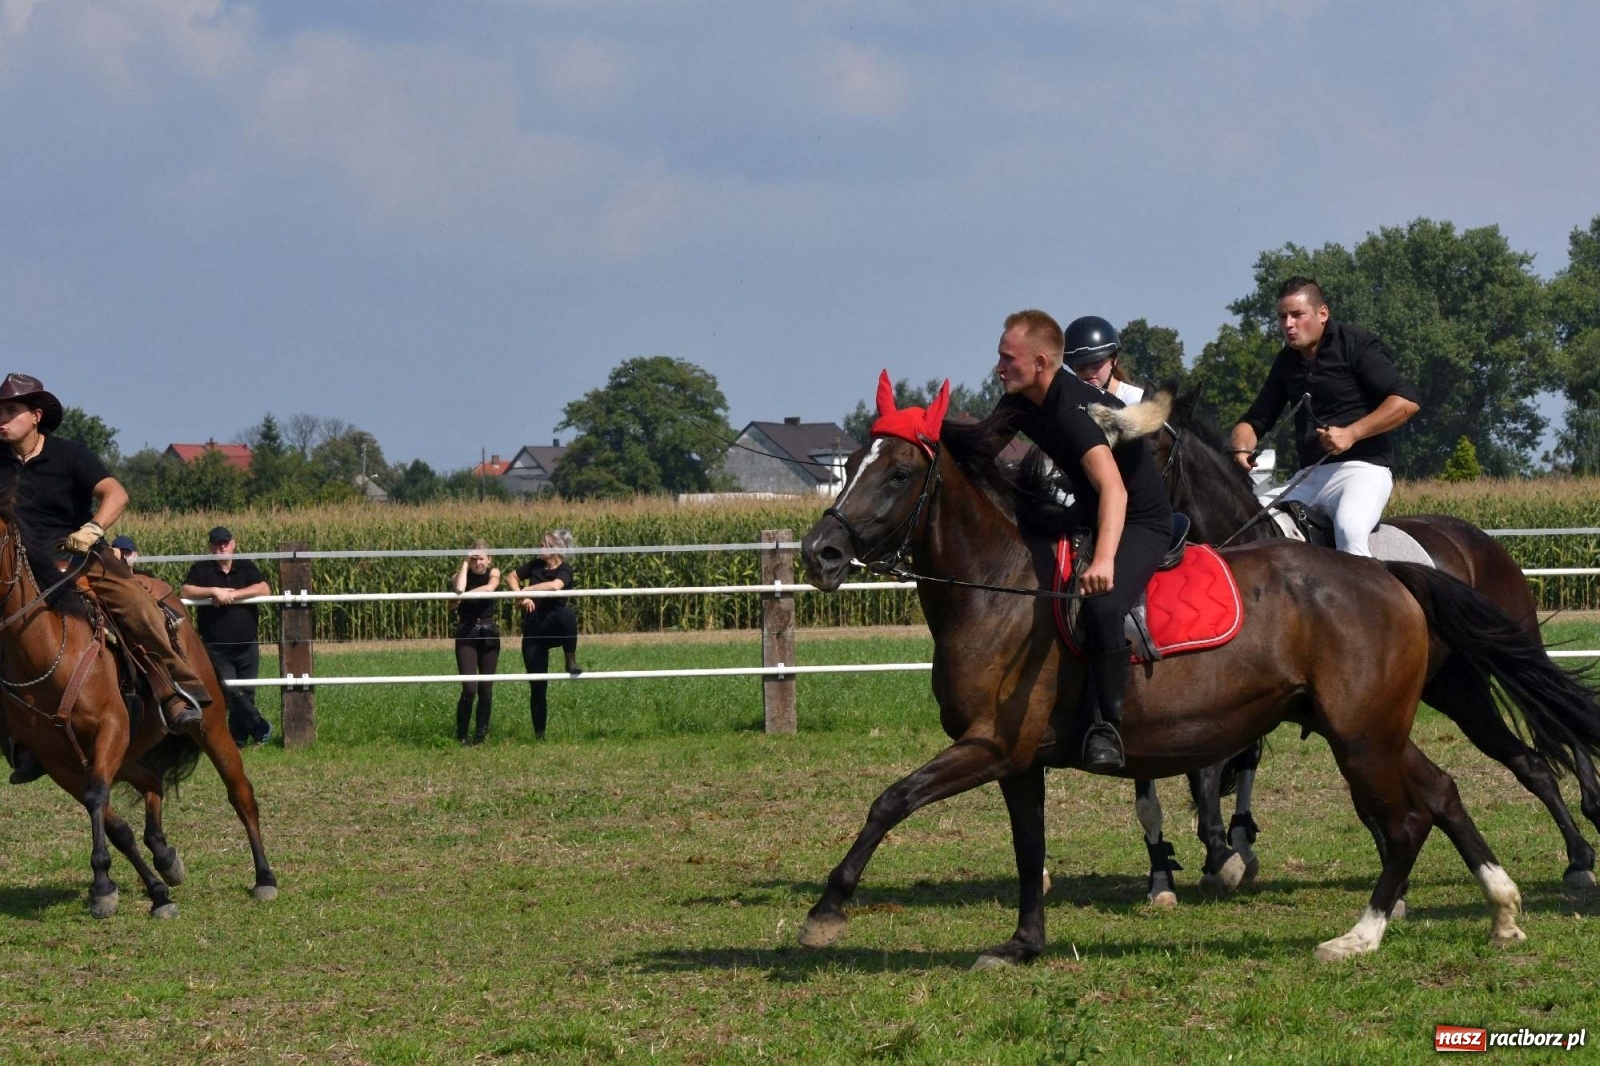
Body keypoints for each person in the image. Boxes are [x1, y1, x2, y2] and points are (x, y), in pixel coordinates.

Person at [0, 374, 210, 785]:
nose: (1, 419)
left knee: (135, 604)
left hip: (77, 558)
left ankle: (173, 689)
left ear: (36, 416)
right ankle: (20, 736)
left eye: (10, 411)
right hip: (18, 572)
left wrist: (94, 528)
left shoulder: (70, 455)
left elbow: (116, 493)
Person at [990, 311, 1173, 773]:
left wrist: (1105, 561)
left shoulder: (1075, 413)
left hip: (1140, 521)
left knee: (1103, 606)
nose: (999, 367)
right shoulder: (1020, 400)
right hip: (1091, 514)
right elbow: (976, 446)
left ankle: (1106, 727)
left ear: (1041, 362)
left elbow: (1115, 490)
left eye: (1007, 358)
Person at [1230, 276, 1421, 557]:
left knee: (1350, 530)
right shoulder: (1286, 361)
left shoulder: (1356, 343)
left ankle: (1363, 601)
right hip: (1308, 476)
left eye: (1297, 315)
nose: (1288, 325)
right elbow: (1253, 421)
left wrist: (1351, 433)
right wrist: (1240, 449)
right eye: (1282, 317)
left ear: (1323, 314)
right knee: (1249, 522)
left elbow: (1406, 401)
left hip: (1362, 470)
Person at [180, 526, 274, 746]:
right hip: (216, 645)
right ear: (210, 546)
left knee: (247, 692)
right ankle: (260, 727)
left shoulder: (245, 566)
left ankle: (238, 739)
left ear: (233, 543)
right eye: (216, 543)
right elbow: (186, 591)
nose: (221, 547)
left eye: (225, 542)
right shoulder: (202, 568)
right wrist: (213, 591)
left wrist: (233, 595)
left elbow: (264, 589)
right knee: (230, 691)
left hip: (247, 644)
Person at [506, 529, 582, 740]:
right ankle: (540, 734)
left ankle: (570, 658)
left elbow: (555, 586)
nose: (539, 548)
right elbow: (511, 576)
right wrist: (520, 596)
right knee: (538, 686)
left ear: (555, 549)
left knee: (567, 614)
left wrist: (528, 591)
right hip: (534, 627)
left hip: (556, 626)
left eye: (543, 544)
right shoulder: (535, 565)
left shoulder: (565, 569)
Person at [451, 541, 501, 744]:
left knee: (486, 687)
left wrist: (461, 598)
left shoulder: (493, 572)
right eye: (474, 558)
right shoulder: (458, 576)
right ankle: (461, 734)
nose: (478, 562)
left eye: (481, 558)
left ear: (489, 559)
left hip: (488, 631)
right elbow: (459, 587)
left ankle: (480, 735)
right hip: (466, 631)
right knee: (469, 688)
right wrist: (464, 564)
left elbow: (490, 588)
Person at [1065, 316, 1144, 405]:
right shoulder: (1071, 404)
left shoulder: (1134, 400)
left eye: (1096, 362)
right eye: (1080, 365)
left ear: (1113, 360)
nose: (1088, 371)